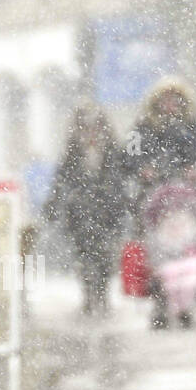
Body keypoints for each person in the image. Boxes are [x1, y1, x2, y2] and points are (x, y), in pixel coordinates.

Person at [44, 104, 127, 316]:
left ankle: (102, 295)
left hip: (107, 213)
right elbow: (61, 181)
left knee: (105, 257)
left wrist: (118, 201)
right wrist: (54, 204)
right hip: (79, 215)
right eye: (85, 127)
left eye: (95, 127)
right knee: (84, 256)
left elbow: (120, 181)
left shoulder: (112, 152)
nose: (90, 132)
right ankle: (89, 295)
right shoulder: (72, 153)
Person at [124, 77, 196, 196]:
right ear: (156, 102)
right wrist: (142, 168)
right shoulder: (144, 126)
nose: (169, 105)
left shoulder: (194, 126)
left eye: (174, 100)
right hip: (150, 191)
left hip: (189, 191)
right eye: (165, 100)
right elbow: (130, 153)